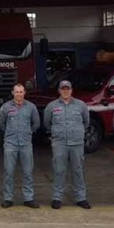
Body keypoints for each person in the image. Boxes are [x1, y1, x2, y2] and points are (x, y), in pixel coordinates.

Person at [43, 80, 91, 210]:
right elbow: (47, 123)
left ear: (71, 90)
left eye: (67, 89)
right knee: (59, 170)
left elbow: (86, 122)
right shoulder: (51, 106)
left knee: (78, 170)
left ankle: (81, 198)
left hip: (77, 143)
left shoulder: (81, 105)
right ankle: (57, 198)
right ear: (59, 91)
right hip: (59, 143)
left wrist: (77, 132)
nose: (65, 91)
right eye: (63, 89)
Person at [0, 83, 40, 209]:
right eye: (17, 92)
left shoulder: (31, 107)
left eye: (21, 92)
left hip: (26, 143)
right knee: (9, 171)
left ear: (24, 92)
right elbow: (0, 123)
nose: (19, 94)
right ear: (13, 93)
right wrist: (9, 132)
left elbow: (36, 123)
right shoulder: (6, 107)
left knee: (28, 171)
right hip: (10, 143)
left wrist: (28, 132)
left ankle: (28, 198)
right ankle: (8, 198)